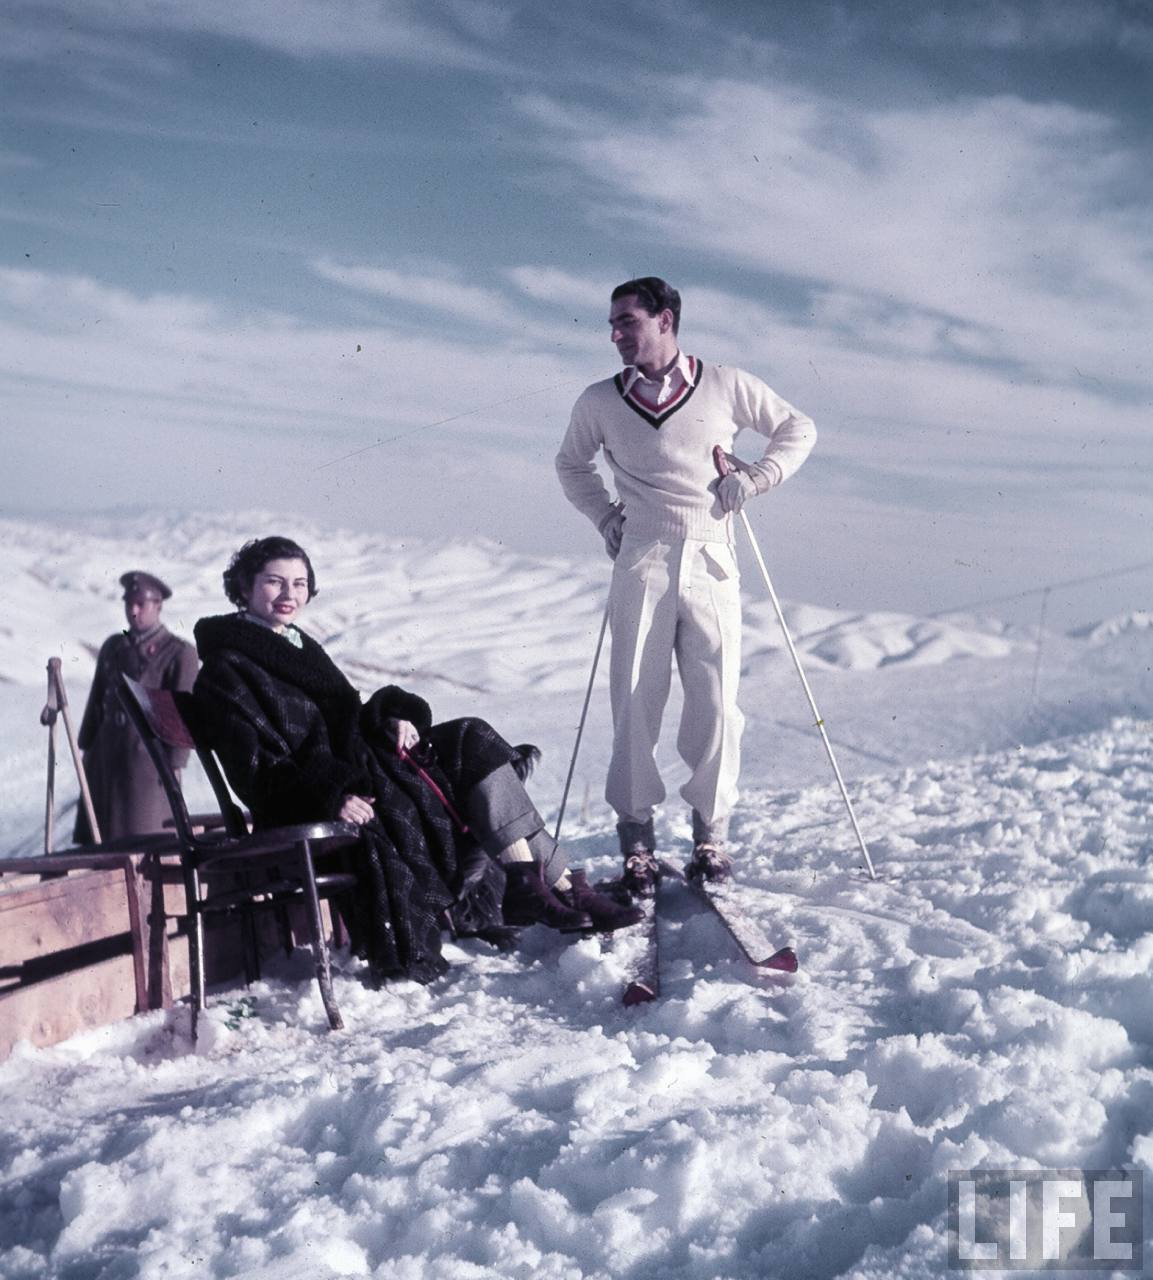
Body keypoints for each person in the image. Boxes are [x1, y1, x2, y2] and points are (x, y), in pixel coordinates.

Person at [191, 536, 640, 986]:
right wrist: (331, 795)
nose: (289, 594)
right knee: (459, 773)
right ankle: (562, 885)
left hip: (364, 770)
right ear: (244, 586)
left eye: (300, 583)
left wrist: (392, 720)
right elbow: (253, 768)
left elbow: (346, 719)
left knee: (471, 739)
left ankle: (538, 883)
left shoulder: (295, 645)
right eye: (275, 582)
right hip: (314, 797)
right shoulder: (227, 668)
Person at [555, 276, 816, 894]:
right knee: (634, 699)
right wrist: (605, 517)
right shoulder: (600, 400)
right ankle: (637, 843)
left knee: (717, 700)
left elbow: (798, 427)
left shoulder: (724, 383)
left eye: (627, 322)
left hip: (712, 554)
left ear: (665, 320)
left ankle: (710, 838)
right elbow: (570, 464)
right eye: (612, 325)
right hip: (641, 555)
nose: (615, 335)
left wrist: (758, 477)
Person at [74, 571, 199, 843]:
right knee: (98, 838)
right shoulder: (113, 647)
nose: (133, 611)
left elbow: (182, 715)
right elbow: (97, 698)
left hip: (147, 762)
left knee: (144, 838)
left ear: (158, 606)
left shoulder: (179, 652)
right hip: (104, 758)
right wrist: (86, 744)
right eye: (129, 603)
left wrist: (175, 763)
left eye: (141, 604)